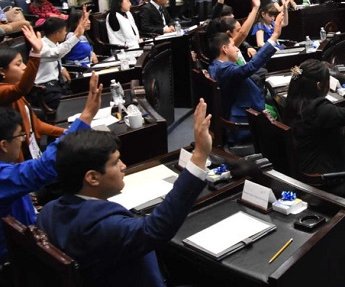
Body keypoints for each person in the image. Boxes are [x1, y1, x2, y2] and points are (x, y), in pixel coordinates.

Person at [36, 99, 214, 287]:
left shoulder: (49, 212)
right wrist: (200, 154)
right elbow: (155, 229)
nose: (124, 167)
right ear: (92, 178)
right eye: (115, 163)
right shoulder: (103, 227)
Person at [0, 73, 100, 261]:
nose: (23, 140)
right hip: (18, 256)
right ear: (4, 145)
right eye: (18, 136)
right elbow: (43, 168)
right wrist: (85, 117)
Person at [284, 50, 345, 195]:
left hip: (302, 168)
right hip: (321, 180)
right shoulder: (317, 109)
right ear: (319, 85)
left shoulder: (293, 102)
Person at [208, 0, 281, 143]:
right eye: (233, 46)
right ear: (224, 49)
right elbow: (251, 67)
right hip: (246, 117)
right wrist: (274, 37)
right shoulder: (225, 69)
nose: (236, 48)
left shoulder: (216, 65)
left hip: (247, 106)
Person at [0, 25, 66, 157]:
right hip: (18, 157)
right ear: (2, 71)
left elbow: (36, 125)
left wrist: (66, 132)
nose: (24, 68)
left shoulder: (14, 92)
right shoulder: (4, 91)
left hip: (34, 149)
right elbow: (21, 89)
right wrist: (36, 54)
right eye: (18, 64)